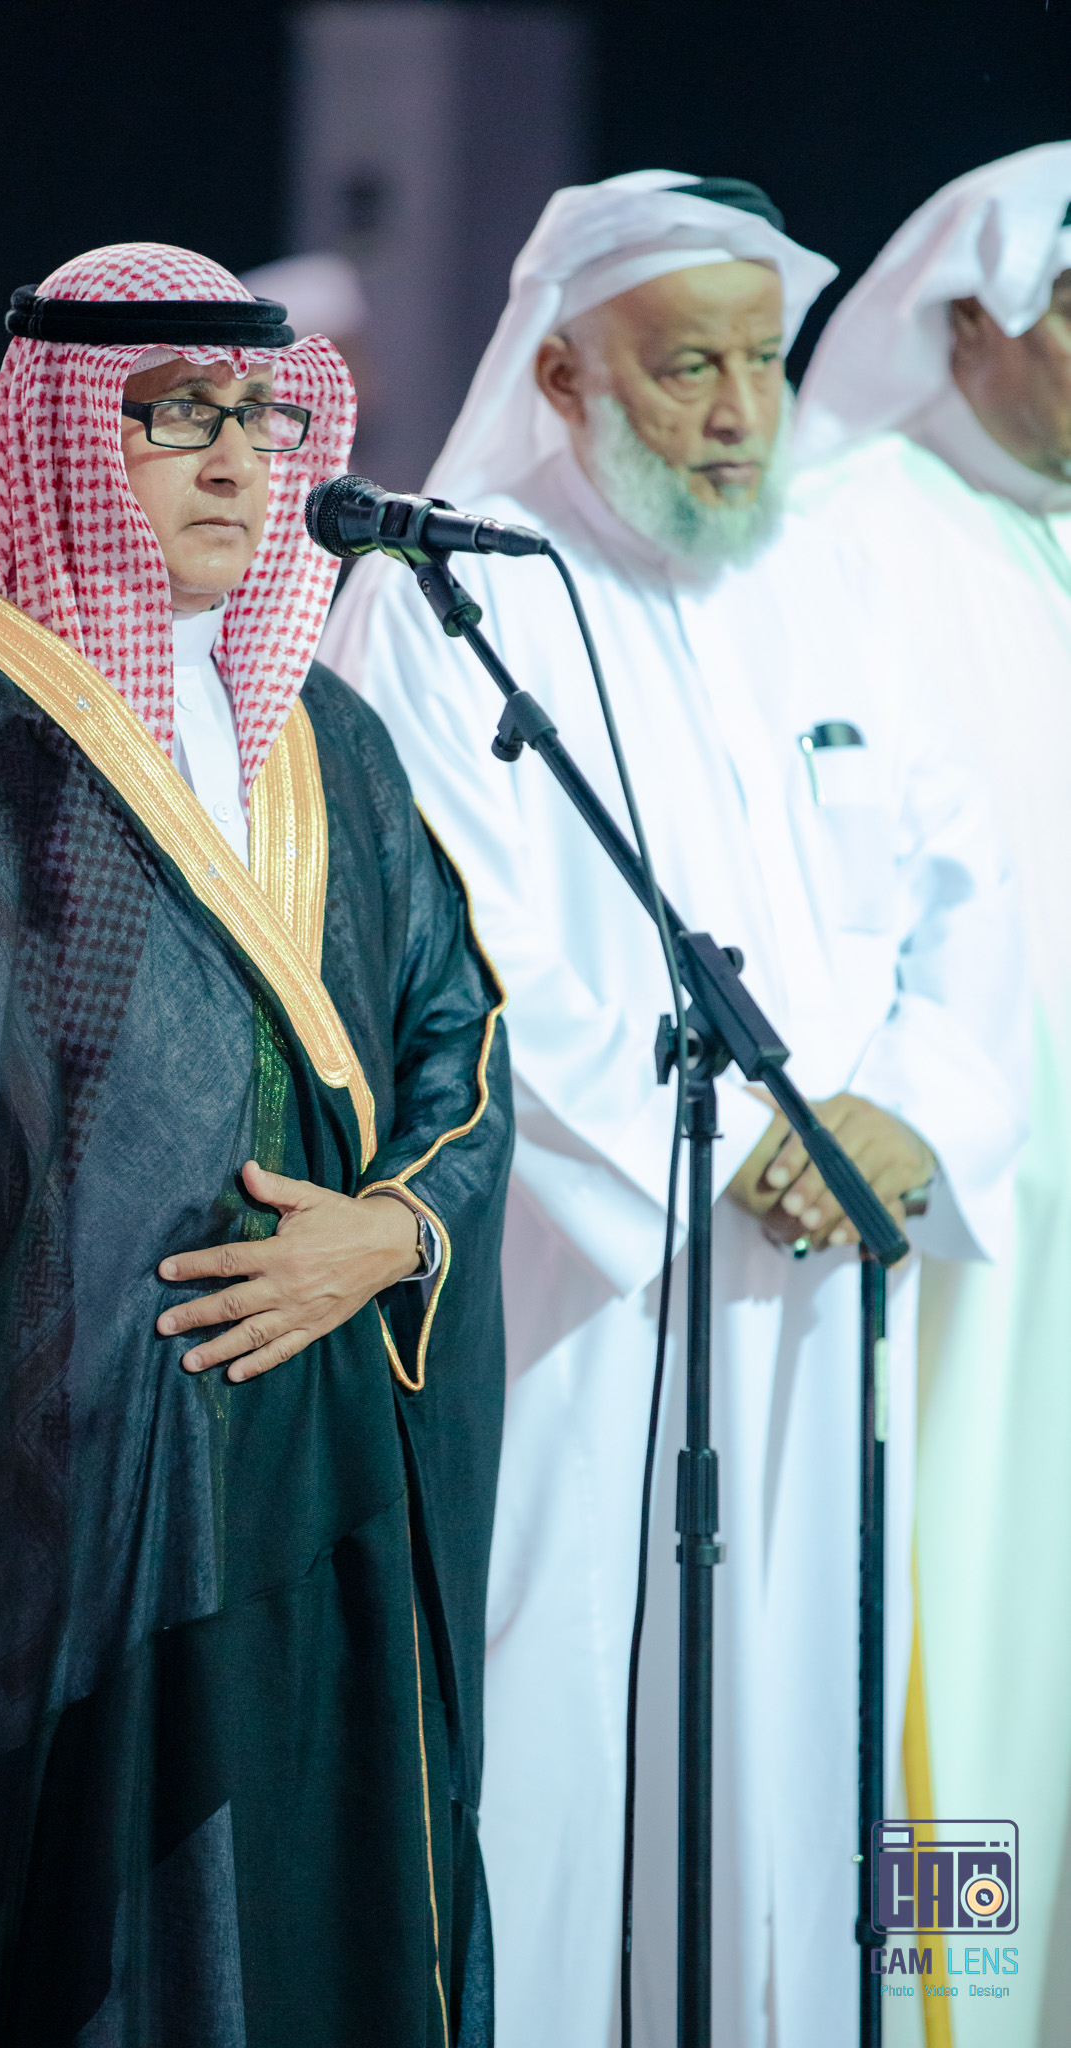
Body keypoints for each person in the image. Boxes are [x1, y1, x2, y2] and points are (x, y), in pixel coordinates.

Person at [0, 242, 512, 2048]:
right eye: (177, 419)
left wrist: (391, 1233)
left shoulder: (331, 735)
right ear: (68, 437)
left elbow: (459, 1035)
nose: (238, 464)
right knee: (60, 1939)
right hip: (38, 1468)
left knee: (305, 1903)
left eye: (261, 419)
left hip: (312, 1444)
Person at [320, 172, 1028, 2048]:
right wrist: (700, 1158)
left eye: (759, 363)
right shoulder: (447, 601)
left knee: (820, 1738)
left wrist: (902, 1114)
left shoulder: (829, 585)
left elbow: (969, 902)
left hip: (827, 1273)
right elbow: (456, 961)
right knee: (572, 1743)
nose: (735, 411)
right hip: (589, 1295)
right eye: (682, 366)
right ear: (560, 375)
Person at [796, 142, 1071, 2040]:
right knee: (953, 1656)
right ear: (970, 316)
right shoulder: (845, 536)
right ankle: (939, 2005)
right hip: (956, 1251)